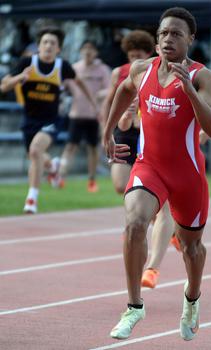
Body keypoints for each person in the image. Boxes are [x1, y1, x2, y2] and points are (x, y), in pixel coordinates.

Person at [103, 7, 211, 341]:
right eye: (164, 33)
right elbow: (125, 89)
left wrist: (190, 92)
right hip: (149, 166)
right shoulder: (142, 69)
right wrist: (108, 131)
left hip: (187, 175)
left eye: (177, 34)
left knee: (191, 249)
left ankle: (192, 299)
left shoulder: (202, 76)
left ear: (190, 40)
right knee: (134, 223)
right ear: (157, 37)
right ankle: (134, 306)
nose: (169, 39)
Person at [101, 30, 177, 289]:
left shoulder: (159, 73)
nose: (134, 59)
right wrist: (110, 126)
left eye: (139, 55)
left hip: (152, 134)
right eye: (131, 56)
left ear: (150, 52)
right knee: (120, 185)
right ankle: (147, 216)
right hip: (126, 131)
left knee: (156, 203)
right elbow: (115, 99)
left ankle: (153, 253)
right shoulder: (121, 73)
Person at [0, 27, 96, 214]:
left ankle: (32, 198)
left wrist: (92, 103)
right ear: (39, 46)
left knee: (35, 150)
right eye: (45, 42)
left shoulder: (62, 67)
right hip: (30, 120)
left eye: (53, 43)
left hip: (51, 120)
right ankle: (53, 166)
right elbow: (4, 87)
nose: (48, 46)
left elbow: (79, 82)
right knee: (35, 155)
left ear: (58, 48)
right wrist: (21, 77)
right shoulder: (27, 63)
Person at [56, 40, 111, 192]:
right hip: (76, 114)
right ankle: (60, 177)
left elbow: (110, 89)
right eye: (85, 49)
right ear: (81, 51)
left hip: (94, 115)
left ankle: (92, 180)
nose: (88, 52)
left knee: (93, 149)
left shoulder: (103, 70)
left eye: (91, 49)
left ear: (96, 52)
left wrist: (98, 95)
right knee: (70, 146)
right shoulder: (74, 68)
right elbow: (62, 86)